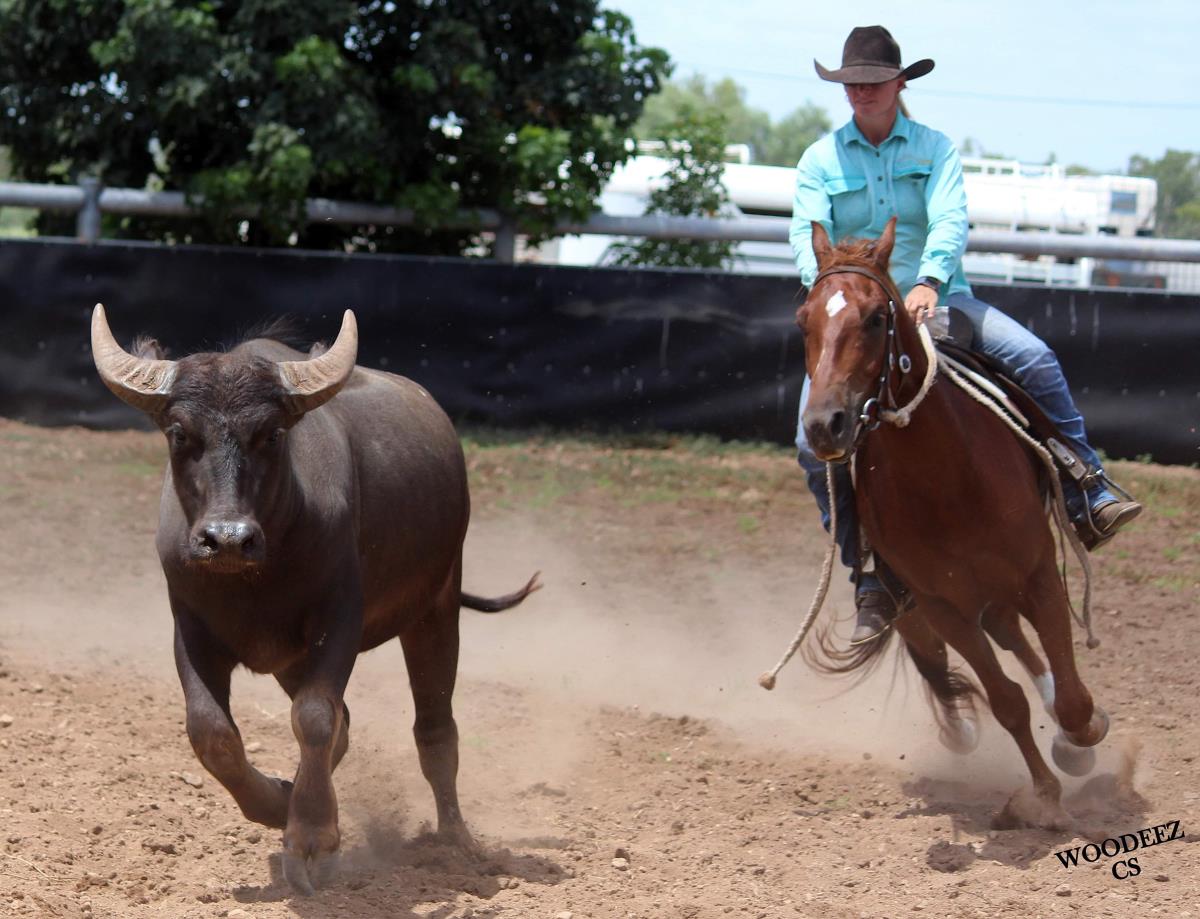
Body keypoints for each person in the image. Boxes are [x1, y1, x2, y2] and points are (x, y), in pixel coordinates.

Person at [789, 25, 1142, 644]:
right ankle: (869, 569)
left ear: (899, 84)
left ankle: (1086, 484)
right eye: (852, 84)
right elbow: (805, 234)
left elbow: (950, 218)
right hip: (857, 319)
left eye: (874, 82)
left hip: (940, 300)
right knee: (807, 442)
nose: (862, 92)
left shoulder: (934, 149)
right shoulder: (820, 160)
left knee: (1034, 357)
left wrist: (929, 279)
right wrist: (829, 291)